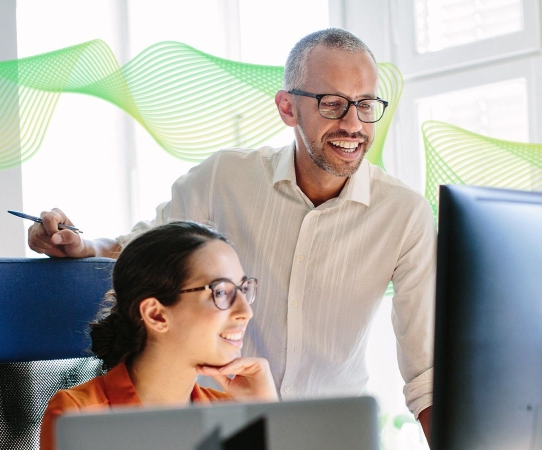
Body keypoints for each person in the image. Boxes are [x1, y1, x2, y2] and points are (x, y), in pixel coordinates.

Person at [27, 28, 436, 438]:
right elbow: (153, 247)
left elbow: (427, 376)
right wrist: (84, 246)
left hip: (327, 435)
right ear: (288, 108)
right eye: (332, 104)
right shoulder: (225, 177)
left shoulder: (404, 214)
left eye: (365, 105)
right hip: (214, 424)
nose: (354, 124)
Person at [39, 222, 278, 450]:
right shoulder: (79, 416)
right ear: (156, 315)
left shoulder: (230, 411)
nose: (246, 311)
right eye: (221, 292)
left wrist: (266, 413)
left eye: (244, 289)